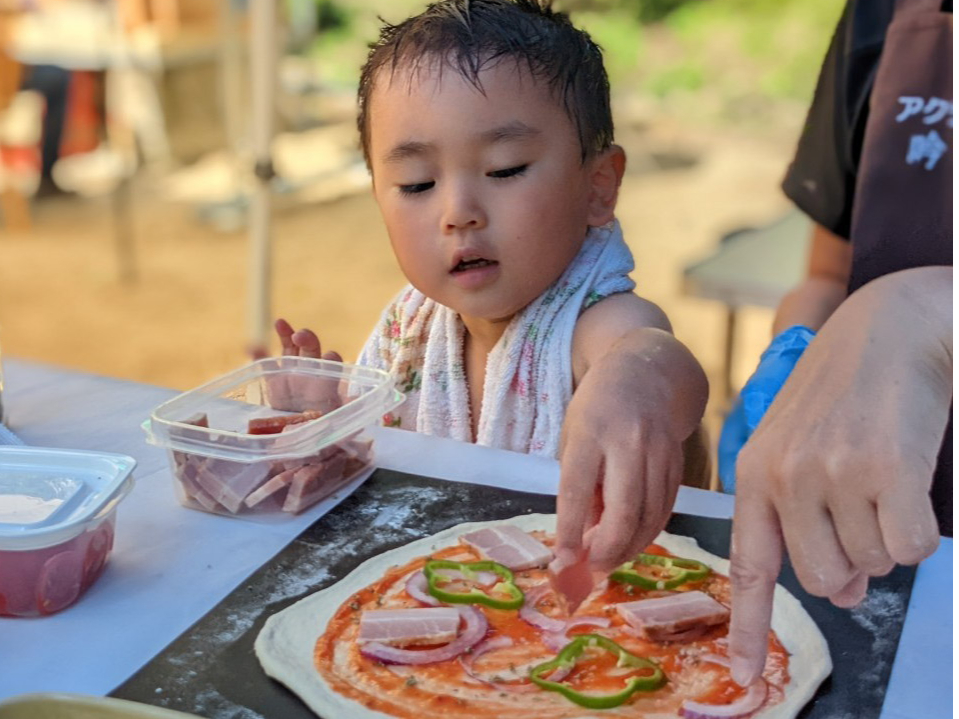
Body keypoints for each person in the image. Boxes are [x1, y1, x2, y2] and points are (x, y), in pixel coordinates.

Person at [274, 0, 709, 587]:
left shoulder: (594, 323)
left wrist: (636, 381)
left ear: (597, 186)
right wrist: (331, 427)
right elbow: (388, 477)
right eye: (417, 184)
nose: (458, 212)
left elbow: (657, 357)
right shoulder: (411, 333)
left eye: (504, 170)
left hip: (613, 605)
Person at [724, 0, 952, 688]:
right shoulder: (882, 13)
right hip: (867, 542)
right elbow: (827, 275)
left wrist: (928, 308)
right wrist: (792, 358)